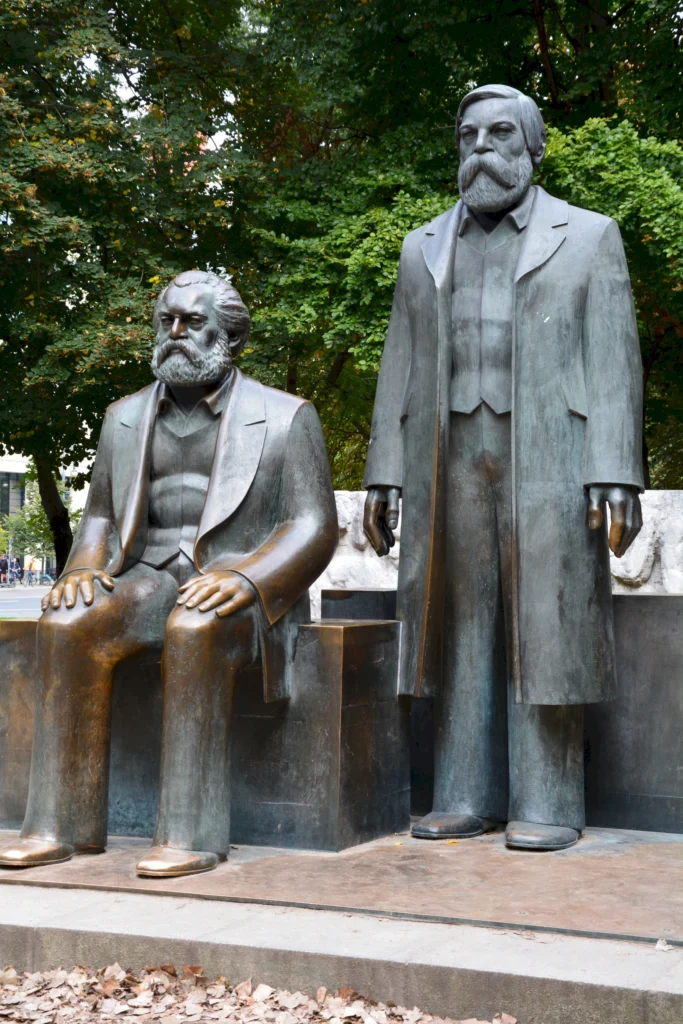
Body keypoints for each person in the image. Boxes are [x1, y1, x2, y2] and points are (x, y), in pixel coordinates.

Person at [363, 85, 643, 852]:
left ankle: (548, 800)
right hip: (448, 455)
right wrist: (385, 467)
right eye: (468, 136)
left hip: (550, 450)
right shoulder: (421, 247)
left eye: (499, 134)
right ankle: (461, 793)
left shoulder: (587, 236)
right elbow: (401, 361)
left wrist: (615, 465)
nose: (481, 147)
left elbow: (614, 357)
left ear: (532, 150)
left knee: (546, 620)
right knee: (458, 622)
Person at [0, 271, 338, 877]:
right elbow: (101, 515)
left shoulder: (288, 417)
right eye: (167, 321)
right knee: (66, 623)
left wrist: (251, 579)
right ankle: (58, 826)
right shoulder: (122, 417)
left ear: (230, 338)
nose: (176, 333)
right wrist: (80, 567)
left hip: (242, 590)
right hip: (148, 578)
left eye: (193, 322)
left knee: (195, 626)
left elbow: (312, 526)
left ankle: (190, 835)